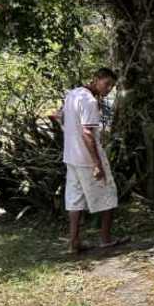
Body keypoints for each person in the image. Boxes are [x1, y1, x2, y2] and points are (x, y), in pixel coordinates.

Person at [51, 68, 125, 255]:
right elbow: (87, 133)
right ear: (96, 79)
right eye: (106, 84)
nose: (108, 89)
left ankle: (74, 242)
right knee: (109, 194)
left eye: (112, 86)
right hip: (86, 159)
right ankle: (106, 239)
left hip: (71, 157)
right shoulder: (89, 101)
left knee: (75, 199)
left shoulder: (73, 94)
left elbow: (59, 116)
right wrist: (97, 164)